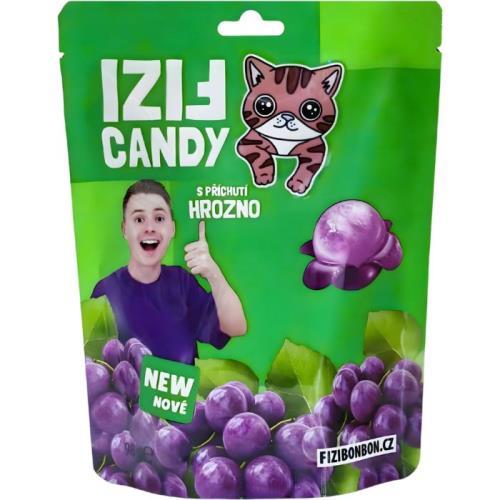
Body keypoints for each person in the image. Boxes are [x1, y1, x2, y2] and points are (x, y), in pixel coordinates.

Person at [91, 179, 247, 365]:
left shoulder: (182, 284)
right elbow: (94, 363)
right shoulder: (105, 292)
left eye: (159, 219)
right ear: (125, 229)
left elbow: (236, 327)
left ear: (172, 228)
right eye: (139, 219)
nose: (150, 228)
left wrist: (214, 273)